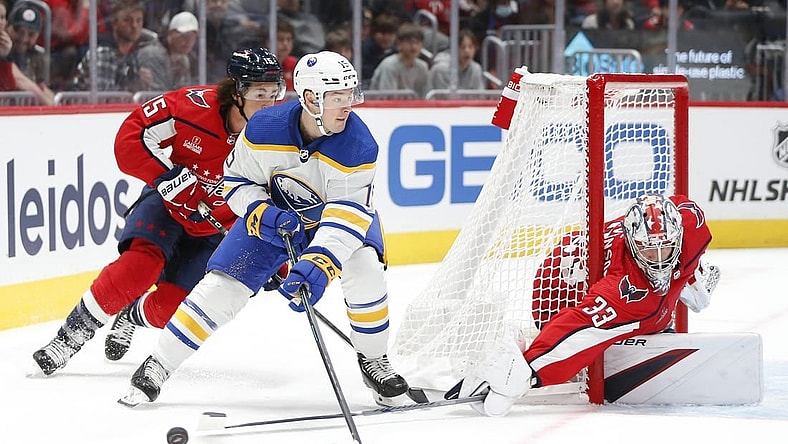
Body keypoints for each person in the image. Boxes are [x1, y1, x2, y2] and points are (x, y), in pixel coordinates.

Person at [118, 51, 416, 409]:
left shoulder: (359, 145)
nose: (347, 106)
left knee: (365, 267)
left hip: (334, 224)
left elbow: (348, 217)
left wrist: (318, 264)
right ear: (309, 99)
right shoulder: (263, 128)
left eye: (350, 95)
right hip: (275, 218)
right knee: (222, 286)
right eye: (336, 98)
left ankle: (373, 360)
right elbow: (236, 181)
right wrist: (260, 212)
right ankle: (159, 364)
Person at [30, 47, 285, 376]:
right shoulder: (190, 107)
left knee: (170, 310)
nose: (268, 103)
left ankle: (131, 315)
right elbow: (130, 137)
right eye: (258, 93)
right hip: (168, 205)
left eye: (274, 93)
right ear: (236, 92)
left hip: (214, 227)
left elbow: (280, 198)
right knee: (138, 268)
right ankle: (69, 337)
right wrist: (167, 177)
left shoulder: (279, 136)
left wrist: (273, 257)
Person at [453, 194, 718, 416]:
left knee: (663, 307)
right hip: (557, 288)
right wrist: (528, 373)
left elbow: (676, 205)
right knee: (649, 316)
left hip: (579, 250)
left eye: (667, 249)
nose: (658, 259)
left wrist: (687, 272)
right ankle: (517, 348)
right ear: (632, 244)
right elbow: (578, 330)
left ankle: (686, 279)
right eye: (648, 250)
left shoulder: (691, 224)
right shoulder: (626, 292)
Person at [69, 0, 156, 92]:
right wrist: (134, 87)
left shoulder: (133, 53)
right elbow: (103, 96)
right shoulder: (103, 52)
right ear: (114, 23)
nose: (134, 25)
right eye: (127, 20)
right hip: (82, 105)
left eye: (139, 20)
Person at [137, 11, 199, 91]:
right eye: (183, 35)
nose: (188, 41)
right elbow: (156, 93)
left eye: (192, 36)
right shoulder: (152, 54)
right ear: (170, 33)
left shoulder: (186, 58)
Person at [6, 2, 55, 103]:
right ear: (7, 27)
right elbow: (18, 79)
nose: (24, 39)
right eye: (18, 31)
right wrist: (46, 101)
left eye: (31, 34)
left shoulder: (40, 57)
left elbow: (43, 87)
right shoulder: (2, 52)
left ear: (38, 35)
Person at [369, 22, 430, 99]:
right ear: (399, 43)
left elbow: (426, 96)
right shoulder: (389, 65)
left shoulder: (422, 66)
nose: (414, 47)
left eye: (417, 43)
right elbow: (387, 98)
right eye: (409, 42)